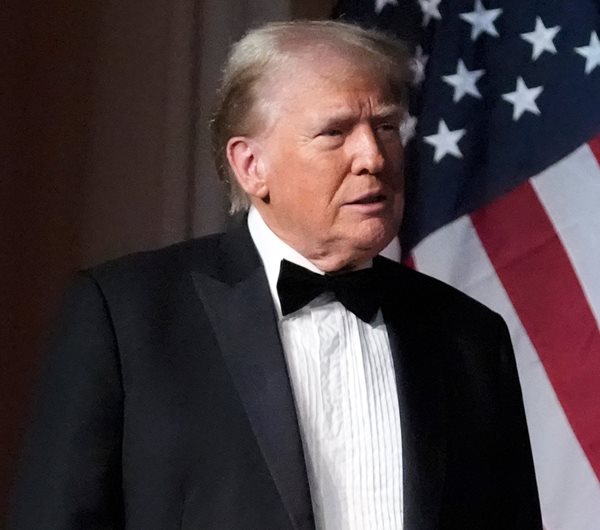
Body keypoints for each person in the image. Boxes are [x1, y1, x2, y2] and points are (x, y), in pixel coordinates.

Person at [9, 20, 542, 530]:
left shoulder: (469, 336)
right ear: (251, 166)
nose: (373, 158)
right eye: (335, 132)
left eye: (385, 127)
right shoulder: (127, 317)